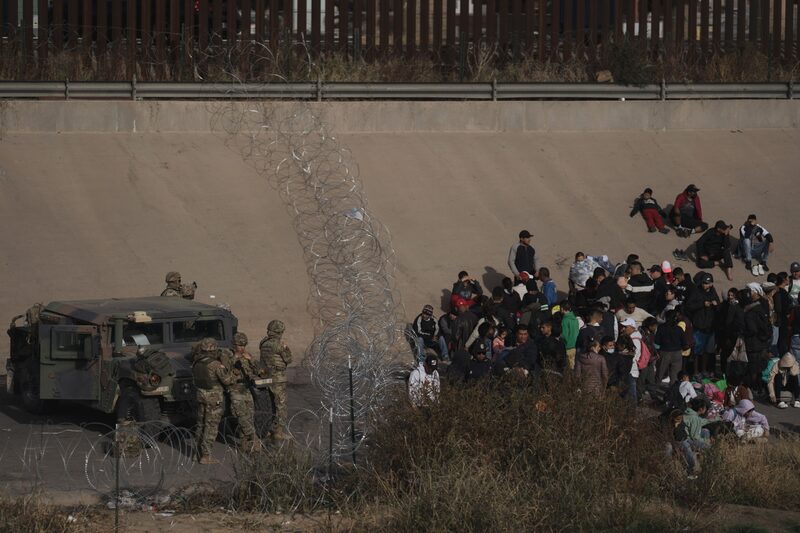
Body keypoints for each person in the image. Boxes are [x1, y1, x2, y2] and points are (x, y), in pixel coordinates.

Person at [192, 337, 235, 464]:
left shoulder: (196, 362)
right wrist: (234, 372)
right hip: (213, 399)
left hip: (201, 396)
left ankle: (197, 453)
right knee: (211, 427)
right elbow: (227, 381)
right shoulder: (215, 364)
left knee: (201, 425)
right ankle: (206, 455)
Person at [259, 320, 292, 441]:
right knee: (281, 405)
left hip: (266, 376)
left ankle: (267, 429)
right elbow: (288, 359)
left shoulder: (263, 343)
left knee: (269, 405)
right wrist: (286, 347)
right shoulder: (277, 345)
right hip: (278, 378)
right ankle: (278, 432)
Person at [227, 332, 259, 451]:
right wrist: (235, 357)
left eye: (243, 345)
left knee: (249, 417)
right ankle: (254, 439)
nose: (242, 348)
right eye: (239, 345)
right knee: (241, 416)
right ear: (234, 345)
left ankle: (244, 444)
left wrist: (250, 360)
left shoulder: (247, 355)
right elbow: (224, 368)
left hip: (246, 389)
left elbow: (259, 371)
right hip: (235, 389)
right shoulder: (228, 355)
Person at [685, 272, 720, 377]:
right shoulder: (697, 291)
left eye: (707, 283)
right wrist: (702, 304)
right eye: (704, 283)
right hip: (699, 327)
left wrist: (715, 305)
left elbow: (718, 306)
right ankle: (696, 372)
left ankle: (704, 370)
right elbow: (689, 306)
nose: (705, 285)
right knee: (697, 351)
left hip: (710, 327)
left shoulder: (713, 292)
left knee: (707, 351)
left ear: (711, 284)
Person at [741, 286, 772, 395]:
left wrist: (744, 334)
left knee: (753, 368)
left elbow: (752, 329)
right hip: (761, 343)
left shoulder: (750, 312)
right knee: (759, 367)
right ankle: (759, 388)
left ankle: (752, 388)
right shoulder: (760, 308)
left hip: (753, 344)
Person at [714, 288, 745, 377]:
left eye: (732, 295)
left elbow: (732, 322)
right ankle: (724, 373)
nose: (730, 297)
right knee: (724, 355)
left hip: (732, 335)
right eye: (729, 295)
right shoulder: (726, 305)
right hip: (725, 334)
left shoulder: (737, 307)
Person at [679, 397, 713, 478]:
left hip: (685, 436)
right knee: (708, 446)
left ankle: (700, 453)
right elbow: (694, 437)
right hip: (687, 439)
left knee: (705, 431)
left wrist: (712, 419)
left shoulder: (688, 413)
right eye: (705, 408)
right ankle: (701, 465)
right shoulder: (695, 418)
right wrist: (707, 441)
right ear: (701, 409)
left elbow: (701, 422)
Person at [620, 318, 642, 405]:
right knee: (628, 391)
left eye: (625, 327)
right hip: (629, 369)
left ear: (632, 327)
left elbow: (633, 355)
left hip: (631, 369)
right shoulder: (631, 337)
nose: (623, 329)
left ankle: (633, 412)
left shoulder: (634, 340)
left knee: (631, 393)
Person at [560, 300, 580, 370]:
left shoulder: (565, 320)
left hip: (567, 347)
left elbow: (564, 335)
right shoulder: (575, 319)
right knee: (574, 367)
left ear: (562, 308)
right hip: (575, 346)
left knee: (568, 369)